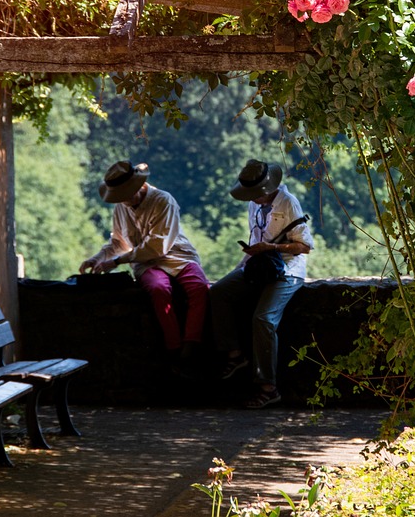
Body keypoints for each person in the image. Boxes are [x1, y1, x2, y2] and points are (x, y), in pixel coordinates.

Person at [80, 161, 209, 367]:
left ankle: (192, 342)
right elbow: (118, 242)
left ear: (139, 187)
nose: (124, 201)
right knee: (158, 289)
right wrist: (98, 258)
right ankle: (174, 347)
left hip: (178, 255)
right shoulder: (122, 206)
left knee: (199, 287)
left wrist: (117, 261)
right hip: (145, 263)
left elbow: (158, 246)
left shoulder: (163, 201)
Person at [209, 159, 314, 409]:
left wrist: (272, 247)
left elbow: (304, 247)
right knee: (219, 292)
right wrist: (239, 268)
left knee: (263, 319)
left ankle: (268, 386)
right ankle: (235, 354)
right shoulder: (253, 206)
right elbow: (256, 240)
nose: (251, 198)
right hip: (260, 266)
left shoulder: (288, 203)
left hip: (288, 269)